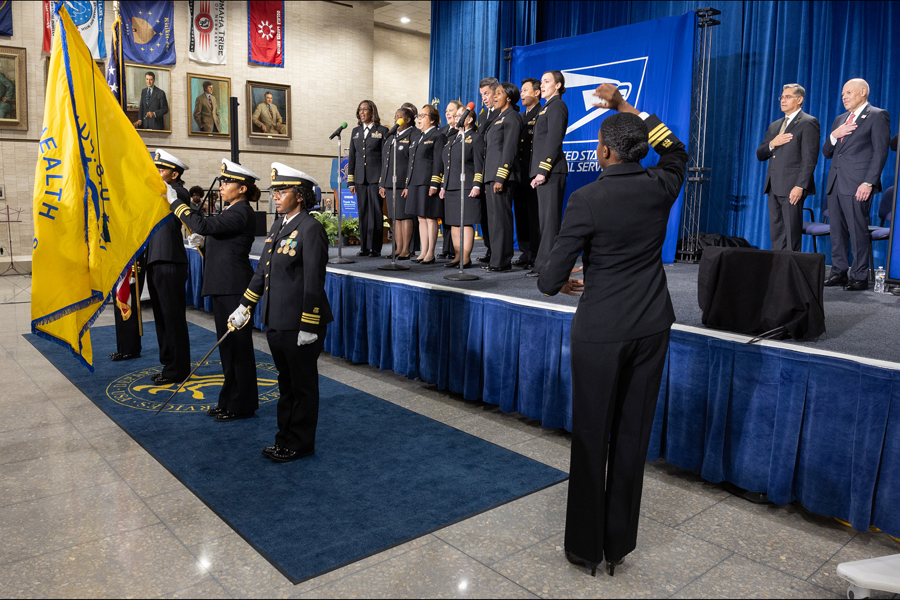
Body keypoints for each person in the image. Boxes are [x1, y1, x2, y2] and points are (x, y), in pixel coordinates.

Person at [538, 83, 688, 577]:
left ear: (602, 151)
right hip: (652, 326)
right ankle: (618, 546)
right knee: (631, 438)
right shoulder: (662, 185)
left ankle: (584, 547)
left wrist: (564, 284)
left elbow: (547, 279)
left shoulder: (587, 198)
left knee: (590, 436)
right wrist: (627, 108)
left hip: (601, 331)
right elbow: (676, 150)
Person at [229, 164, 333, 462]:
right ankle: (284, 438)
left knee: (301, 385)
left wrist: (309, 323)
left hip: (301, 323)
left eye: (282, 191)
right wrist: (244, 305)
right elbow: (263, 271)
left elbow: (314, 279)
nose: (275, 196)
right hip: (276, 320)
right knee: (285, 383)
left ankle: (300, 443)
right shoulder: (278, 226)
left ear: (299, 196)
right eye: (274, 191)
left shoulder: (311, 228)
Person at [169, 159, 260, 422]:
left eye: (227, 182)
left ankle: (242, 404)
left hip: (234, 287)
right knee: (228, 349)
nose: (222, 186)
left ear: (242, 188)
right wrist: (204, 243)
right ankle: (230, 399)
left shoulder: (241, 211)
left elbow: (204, 225)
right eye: (221, 181)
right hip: (224, 285)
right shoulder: (230, 210)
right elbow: (219, 242)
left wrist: (177, 203)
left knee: (238, 349)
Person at [822, 78, 890, 291]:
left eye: (848, 93)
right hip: (835, 182)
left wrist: (869, 182)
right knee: (837, 231)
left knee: (857, 230)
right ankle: (839, 272)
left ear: (863, 92)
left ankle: (859, 276)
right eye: (843, 94)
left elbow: (880, 153)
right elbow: (827, 152)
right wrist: (834, 135)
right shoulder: (840, 119)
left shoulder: (877, 116)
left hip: (858, 183)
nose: (844, 97)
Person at [756, 84, 820, 252]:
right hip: (773, 185)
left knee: (791, 233)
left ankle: (791, 271)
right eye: (782, 97)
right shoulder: (775, 125)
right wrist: (772, 143)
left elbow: (810, 159)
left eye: (788, 97)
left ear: (799, 100)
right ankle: (778, 270)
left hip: (793, 186)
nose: (783, 100)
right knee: (777, 232)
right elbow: (760, 154)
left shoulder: (808, 123)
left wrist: (800, 186)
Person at [148, 150, 192, 385]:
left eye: (161, 170)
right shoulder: (161, 192)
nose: (156, 174)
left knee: (173, 317)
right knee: (161, 317)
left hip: (170, 260)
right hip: (155, 259)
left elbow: (172, 202)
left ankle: (179, 368)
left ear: (174, 174)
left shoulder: (179, 193)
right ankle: (169, 365)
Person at [529, 70, 570, 279]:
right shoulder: (547, 107)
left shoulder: (557, 106)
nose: (542, 85)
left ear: (558, 85)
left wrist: (543, 171)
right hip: (545, 171)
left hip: (552, 171)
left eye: (547, 82)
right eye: (542, 81)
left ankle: (548, 267)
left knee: (550, 221)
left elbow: (554, 140)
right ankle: (543, 263)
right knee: (544, 221)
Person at [482, 82, 523, 272]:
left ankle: (502, 262)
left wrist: (500, 177)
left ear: (509, 97)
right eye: (494, 93)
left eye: (499, 93)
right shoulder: (498, 118)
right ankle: (496, 260)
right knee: (493, 220)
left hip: (501, 177)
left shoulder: (512, 117)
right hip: (490, 176)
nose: (495, 96)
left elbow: (509, 149)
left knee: (501, 220)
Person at [440, 104, 483, 268]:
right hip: (451, 185)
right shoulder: (452, 139)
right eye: (456, 116)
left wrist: (477, 184)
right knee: (454, 223)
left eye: (460, 116)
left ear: (469, 119)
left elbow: (480, 164)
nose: (456, 119)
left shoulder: (475, 138)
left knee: (466, 222)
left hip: (467, 185)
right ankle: (457, 256)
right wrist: (444, 186)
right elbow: (447, 165)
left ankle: (466, 257)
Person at [404, 104, 447, 264]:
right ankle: (423, 251)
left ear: (433, 119)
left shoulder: (438, 135)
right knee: (421, 218)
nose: (419, 118)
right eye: (419, 116)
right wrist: (408, 184)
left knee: (430, 218)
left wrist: (435, 183)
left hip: (428, 182)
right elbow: (411, 163)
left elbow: (438, 161)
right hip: (415, 182)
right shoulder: (417, 137)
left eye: (423, 116)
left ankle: (430, 253)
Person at [347, 100, 389, 258]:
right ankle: (364, 247)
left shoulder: (382, 130)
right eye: (360, 110)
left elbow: (385, 159)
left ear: (372, 111)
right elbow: (352, 157)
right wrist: (351, 181)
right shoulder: (355, 131)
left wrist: (383, 181)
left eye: (365, 109)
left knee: (376, 213)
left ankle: (375, 248)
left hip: (375, 179)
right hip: (360, 178)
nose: (362, 112)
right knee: (363, 212)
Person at [379, 107, 417, 259]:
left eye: (399, 117)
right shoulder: (391, 136)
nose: (396, 120)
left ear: (408, 119)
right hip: (390, 183)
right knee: (395, 217)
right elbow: (385, 163)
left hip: (403, 183)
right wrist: (382, 183)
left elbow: (412, 162)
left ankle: (406, 249)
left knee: (404, 217)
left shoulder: (413, 134)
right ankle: (398, 248)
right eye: (395, 117)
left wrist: (408, 184)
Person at [514, 77, 543, 269]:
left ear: (537, 92)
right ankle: (525, 251)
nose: (522, 94)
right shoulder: (520, 116)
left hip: (534, 172)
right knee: (521, 214)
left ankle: (536, 253)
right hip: (519, 173)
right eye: (521, 91)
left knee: (534, 215)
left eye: (526, 90)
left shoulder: (543, 113)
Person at [476, 77, 501, 264]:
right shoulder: (482, 115)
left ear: (496, 91)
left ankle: (499, 252)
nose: (484, 98)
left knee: (497, 216)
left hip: (497, 170)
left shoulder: (504, 112)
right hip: (483, 170)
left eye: (487, 93)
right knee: (484, 214)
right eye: (482, 95)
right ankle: (489, 249)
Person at [109, 254, 145, 362]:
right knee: (119, 308)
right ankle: (123, 349)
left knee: (130, 307)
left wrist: (133, 273)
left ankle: (131, 350)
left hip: (131, 269)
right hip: (119, 266)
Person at [438, 100, 462, 259]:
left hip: (456, 178)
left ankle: (454, 250)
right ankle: (446, 249)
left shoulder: (461, 132)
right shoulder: (443, 131)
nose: (447, 113)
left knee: (454, 217)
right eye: (446, 110)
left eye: (451, 111)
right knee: (445, 215)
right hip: (442, 177)